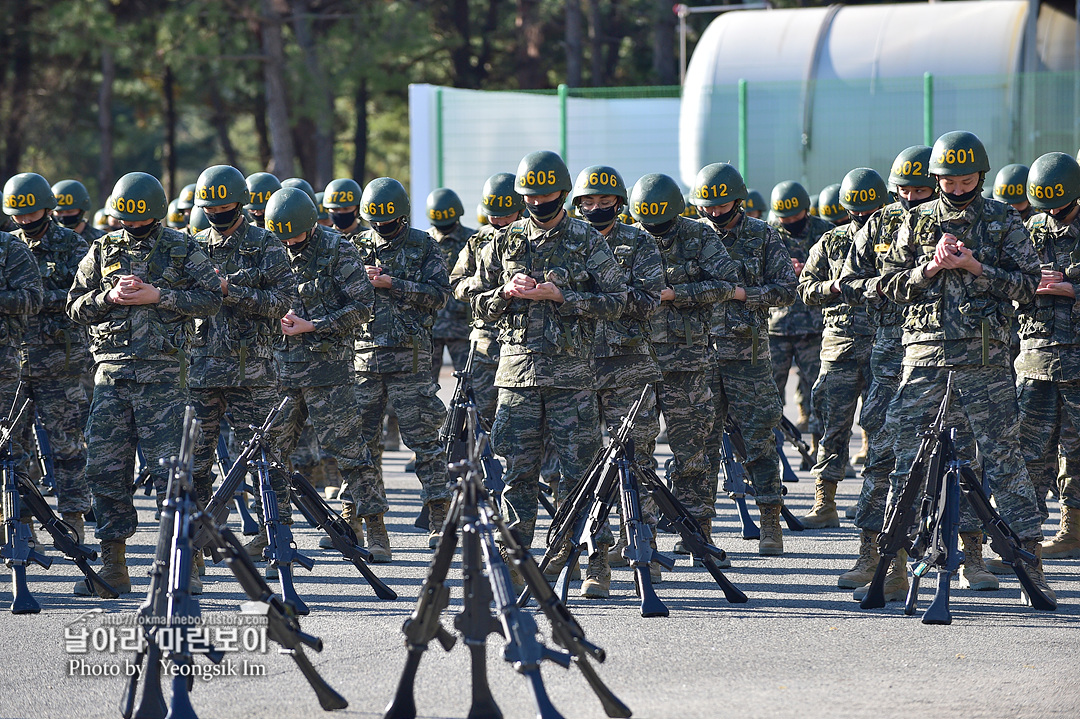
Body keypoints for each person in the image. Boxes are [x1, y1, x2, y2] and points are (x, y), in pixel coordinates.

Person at [874, 130, 1053, 605]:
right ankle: (892, 566)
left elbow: (1031, 285)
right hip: (924, 358)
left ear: (981, 174)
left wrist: (978, 268)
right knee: (905, 463)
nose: (957, 188)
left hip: (985, 359)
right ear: (935, 178)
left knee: (1004, 461)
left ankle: (1031, 568)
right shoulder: (914, 223)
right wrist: (928, 270)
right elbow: (887, 285)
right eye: (948, 179)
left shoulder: (1001, 220)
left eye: (966, 178)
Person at [472, 150, 627, 594]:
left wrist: (564, 298)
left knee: (580, 474)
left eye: (547, 193)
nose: (538, 201)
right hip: (516, 374)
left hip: (571, 378)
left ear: (562, 194)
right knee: (515, 473)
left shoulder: (587, 239)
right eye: (530, 194)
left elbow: (619, 300)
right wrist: (503, 293)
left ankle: (591, 561)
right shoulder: (503, 239)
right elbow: (469, 294)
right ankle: (515, 563)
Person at [66, 171, 222, 596]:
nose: (131, 227)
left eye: (139, 220)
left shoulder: (182, 248)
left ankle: (184, 563)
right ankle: (114, 564)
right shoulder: (101, 249)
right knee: (105, 470)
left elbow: (211, 299)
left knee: (174, 474)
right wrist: (108, 298)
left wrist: (160, 296)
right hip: (111, 378)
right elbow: (74, 305)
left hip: (165, 379)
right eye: (124, 220)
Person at [185, 165, 298, 580]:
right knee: (194, 467)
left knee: (268, 461)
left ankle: (276, 542)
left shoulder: (266, 245)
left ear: (241, 203)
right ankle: (191, 553)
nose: (215, 212)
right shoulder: (191, 246)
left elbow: (284, 299)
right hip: (201, 371)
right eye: (208, 207)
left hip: (254, 373)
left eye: (223, 205)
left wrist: (234, 291)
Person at [263, 188, 387, 559]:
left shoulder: (337, 249)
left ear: (312, 225)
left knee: (351, 453)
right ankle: (275, 533)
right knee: (272, 455)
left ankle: (375, 529)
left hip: (328, 370)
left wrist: (313, 325)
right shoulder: (268, 250)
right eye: (281, 235)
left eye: (295, 235)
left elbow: (363, 306)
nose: (288, 242)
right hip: (281, 372)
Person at [837, 145, 935, 588]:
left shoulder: (964, 222)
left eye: (920, 188)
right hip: (892, 360)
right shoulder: (879, 223)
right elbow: (849, 281)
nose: (912, 197)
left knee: (962, 458)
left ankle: (969, 555)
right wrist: (895, 284)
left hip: (952, 357)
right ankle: (875, 556)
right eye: (904, 189)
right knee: (881, 457)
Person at [630, 173, 742, 551]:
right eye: (646, 220)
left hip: (687, 364)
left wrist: (677, 294)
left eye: (660, 221)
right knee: (634, 454)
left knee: (693, 451)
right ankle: (642, 537)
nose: (653, 229)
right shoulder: (626, 239)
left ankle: (696, 531)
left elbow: (728, 284)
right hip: (635, 363)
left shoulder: (699, 236)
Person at [692, 162, 797, 555]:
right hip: (699, 356)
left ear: (740, 199)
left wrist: (744, 295)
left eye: (723, 206)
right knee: (699, 446)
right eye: (708, 207)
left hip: (748, 357)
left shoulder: (762, 236)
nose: (716, 213)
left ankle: (770, 519)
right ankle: (700, 528)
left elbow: (787, 289)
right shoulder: (692, 235)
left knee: (759, 440)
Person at [572, 165, 664, 584]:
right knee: (582, 465)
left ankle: (645, 549)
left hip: (628, 365)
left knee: (637, 460)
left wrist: (586, 300)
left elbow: (649, 299)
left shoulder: (639, 242)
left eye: (603, 201)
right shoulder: (567, 241)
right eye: (587, 202)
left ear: (619, 202)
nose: (595, 208)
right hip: (574, 365)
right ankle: (596, 558)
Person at [351, 178, 452, 549]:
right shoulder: (355, 247)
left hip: (410, 356)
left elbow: (440, 295)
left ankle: (438, 514)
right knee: (363, 444)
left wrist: (393, 284)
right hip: (363, 357)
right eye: (374, 222)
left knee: (425, 439)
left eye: (388, 222)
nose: (381, 229)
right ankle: (372, 524)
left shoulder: (423, 246)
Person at [3, 173, 93, 546]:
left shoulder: (71, 245)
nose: (25, 220)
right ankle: (21, 522)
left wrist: (36, 297)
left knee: (68, 446)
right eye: (17, 215)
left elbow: (82, 295)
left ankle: (73, 519)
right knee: (14, 447)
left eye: (31, 212)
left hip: (63, 363)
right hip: (15, 363)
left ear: (47, 208)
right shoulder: (7, 247)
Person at [798, 168, 887, 529]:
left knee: (882, 427)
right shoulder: (830, 241)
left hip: (887, 344)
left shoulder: (899, 238)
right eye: (855, 212)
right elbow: (805, 287)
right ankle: (825, 501)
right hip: (840, 346)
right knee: (832, 426)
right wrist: (833, 288)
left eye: (870, 212)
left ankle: (875, 502)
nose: (863, 219)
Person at [1015, 151, 1080, 560]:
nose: (1054, 213)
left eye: (1062, 205)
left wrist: (1071, 288)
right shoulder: (1030, 228)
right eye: (1046, 206)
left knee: (1075, 448)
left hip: (1077, 359)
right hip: (1035, 356)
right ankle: (1024, 539)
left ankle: (1072, 528)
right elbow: (1010, 276)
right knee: (1028, 449)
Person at [767, 181, 833, 438]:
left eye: (795, 216)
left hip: (814, 327)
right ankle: (774, 454)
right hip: (776, 327)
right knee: (770, 396)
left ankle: (821, 449)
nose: (790, 221)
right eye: (784, 217)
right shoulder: (769, 233)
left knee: (820, 392)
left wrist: (808, 270)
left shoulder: (823, 231)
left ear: (806, 209)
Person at [426, 188, 476, 381]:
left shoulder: (472, 239)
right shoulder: (424, 241)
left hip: (462, 326)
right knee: (425, 387)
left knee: (470, 384)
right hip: (431, 325)